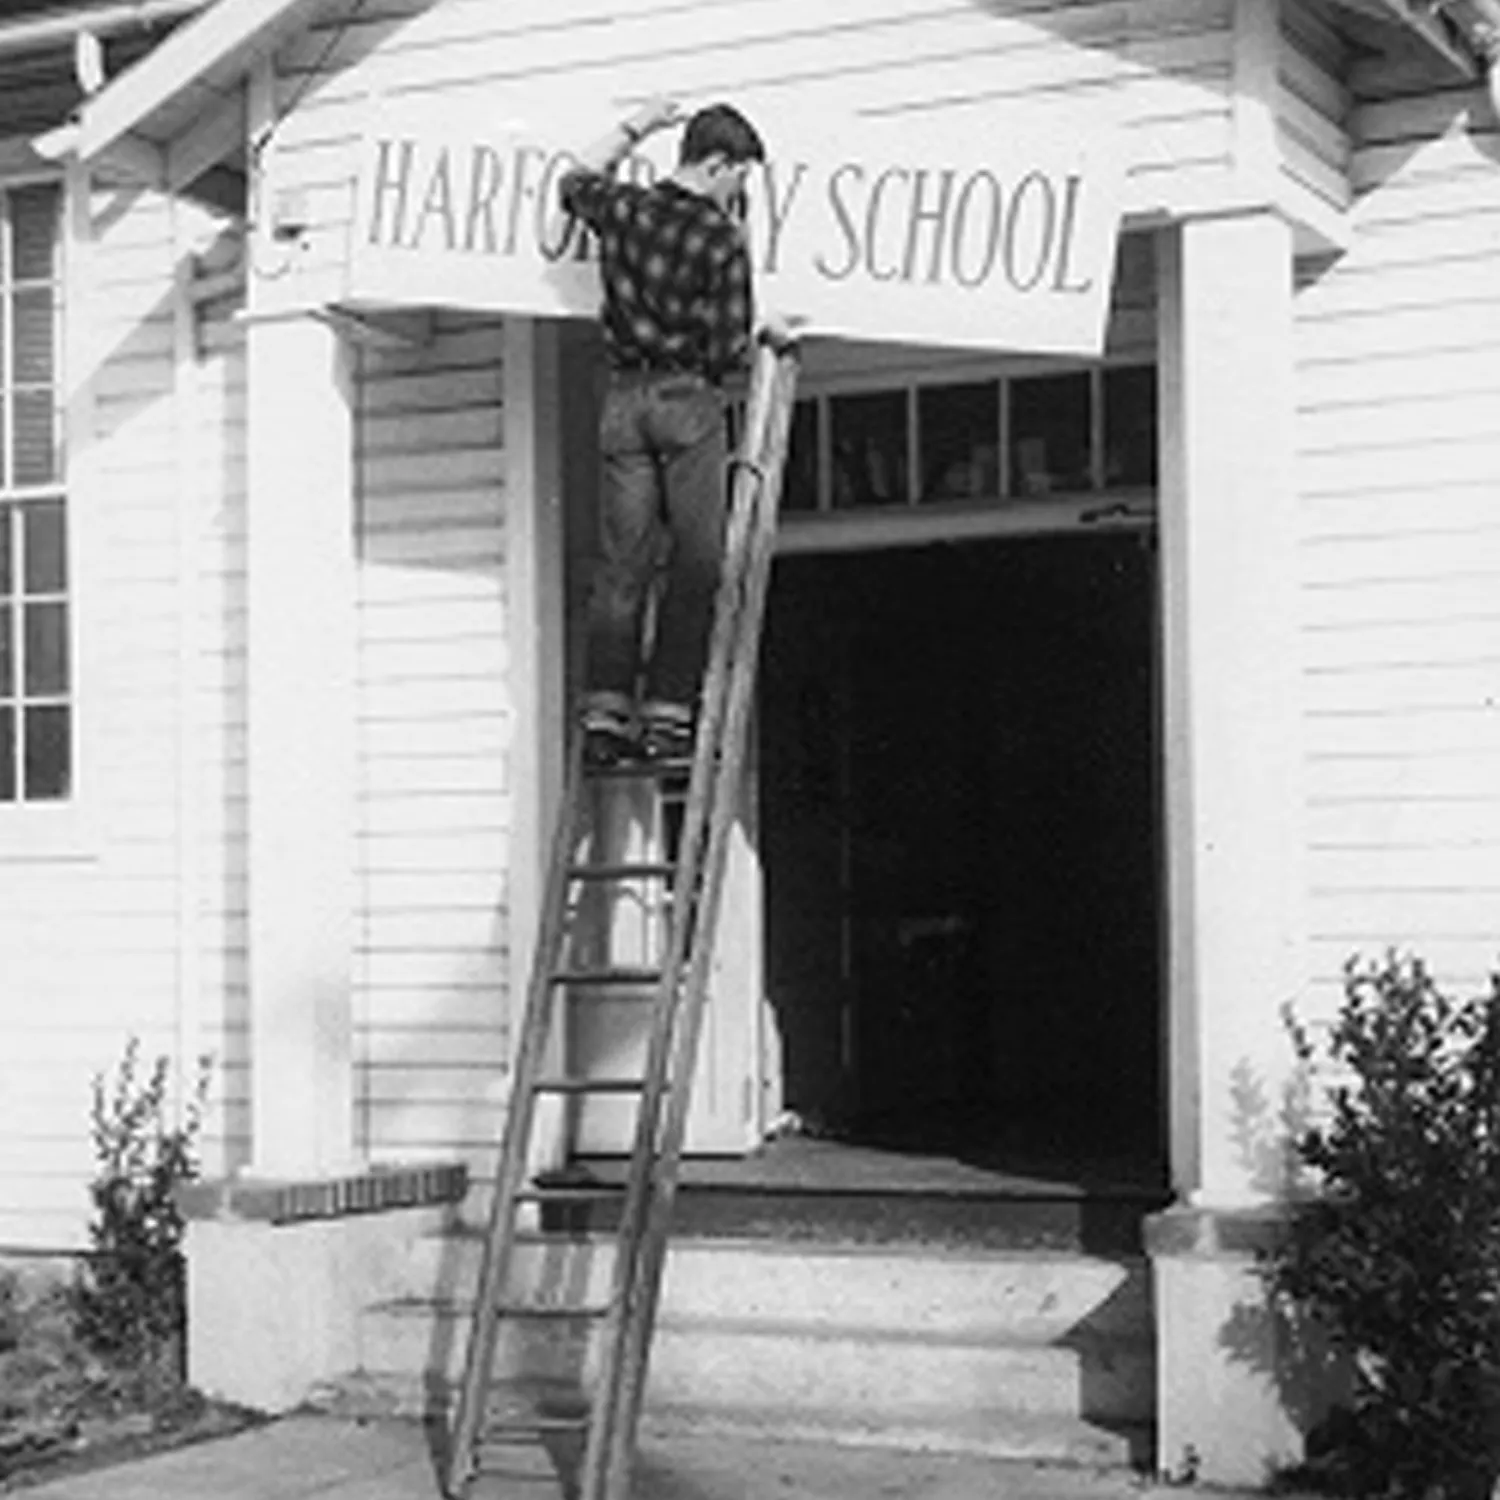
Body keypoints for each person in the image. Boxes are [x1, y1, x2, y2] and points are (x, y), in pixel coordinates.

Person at [559, 98, 780, 766]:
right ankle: (665, 715)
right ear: (716, 164)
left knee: (623, 564)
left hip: (624, 400)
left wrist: (638, 123)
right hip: (687, 398)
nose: (740, 192)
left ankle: (604, 713)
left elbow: (573, 180)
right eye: (739, 176)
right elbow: (729, 343)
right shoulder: (719, 240)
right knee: (696, 560)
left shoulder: (624, 209)